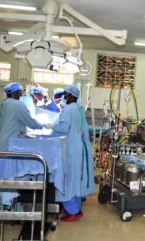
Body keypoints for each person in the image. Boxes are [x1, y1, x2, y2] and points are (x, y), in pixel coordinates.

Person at [45, 84, 94, 222]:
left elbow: (63, 128)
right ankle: (75, 209)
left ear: (72, 95)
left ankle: (73, 212)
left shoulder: (69, 109)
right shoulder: (78, 109)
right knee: (75, 179)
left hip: (71, 149)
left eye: (65, 94)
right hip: (77, 147)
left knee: (69, 179)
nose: (63, 97)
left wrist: (51, 125)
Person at [0, 83, 44, 151]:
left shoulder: (4, 104)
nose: (20, 95)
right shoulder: (18, 104)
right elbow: (30, 122)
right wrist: (43, 125)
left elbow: (0, 122)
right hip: (10, 144)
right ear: (13, 93)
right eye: (19, 93)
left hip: (1, 142)